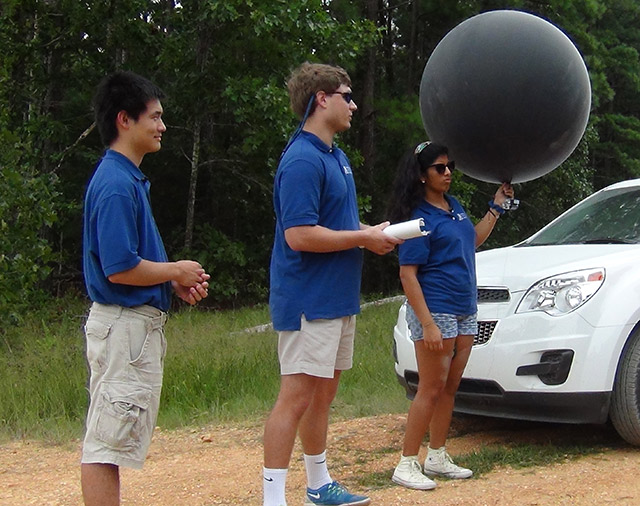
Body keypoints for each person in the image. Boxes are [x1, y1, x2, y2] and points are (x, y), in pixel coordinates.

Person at [263, 62, 402, 506]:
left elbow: (336, 225)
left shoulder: (334, 155)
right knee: (296, 396)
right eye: (347, 95)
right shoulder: (302, 159)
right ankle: (273, 498)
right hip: (308, 299)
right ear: (321, 98)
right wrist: (362, 237)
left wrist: (370, 233)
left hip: (338, 298)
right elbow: (298, 235)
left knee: (324, 393)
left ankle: (319, 484)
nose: (354, 104)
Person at [81, 71, 210, 506]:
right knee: (105, 445)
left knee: (113, 441)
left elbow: (129, 265)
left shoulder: (127, 179)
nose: (161, 126)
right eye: (154, 117)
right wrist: (175, 268)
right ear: (124, 120)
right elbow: (119, 269)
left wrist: (172, 282)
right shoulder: (117, 184)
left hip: (132, 330)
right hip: (123, 331)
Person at [386, 141, 514, 490]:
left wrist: (496, 209)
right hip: (436, 309)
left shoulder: (453, 207)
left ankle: (438, 455)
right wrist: (426, 323)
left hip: (464, 308)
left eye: (450, 167)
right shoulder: (419, 218)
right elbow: (407, 274)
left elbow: (470, 240)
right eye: (439, 168)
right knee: (430, 387)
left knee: (449, 387)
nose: (448, 173)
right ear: (422, 175)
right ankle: (407, 462)